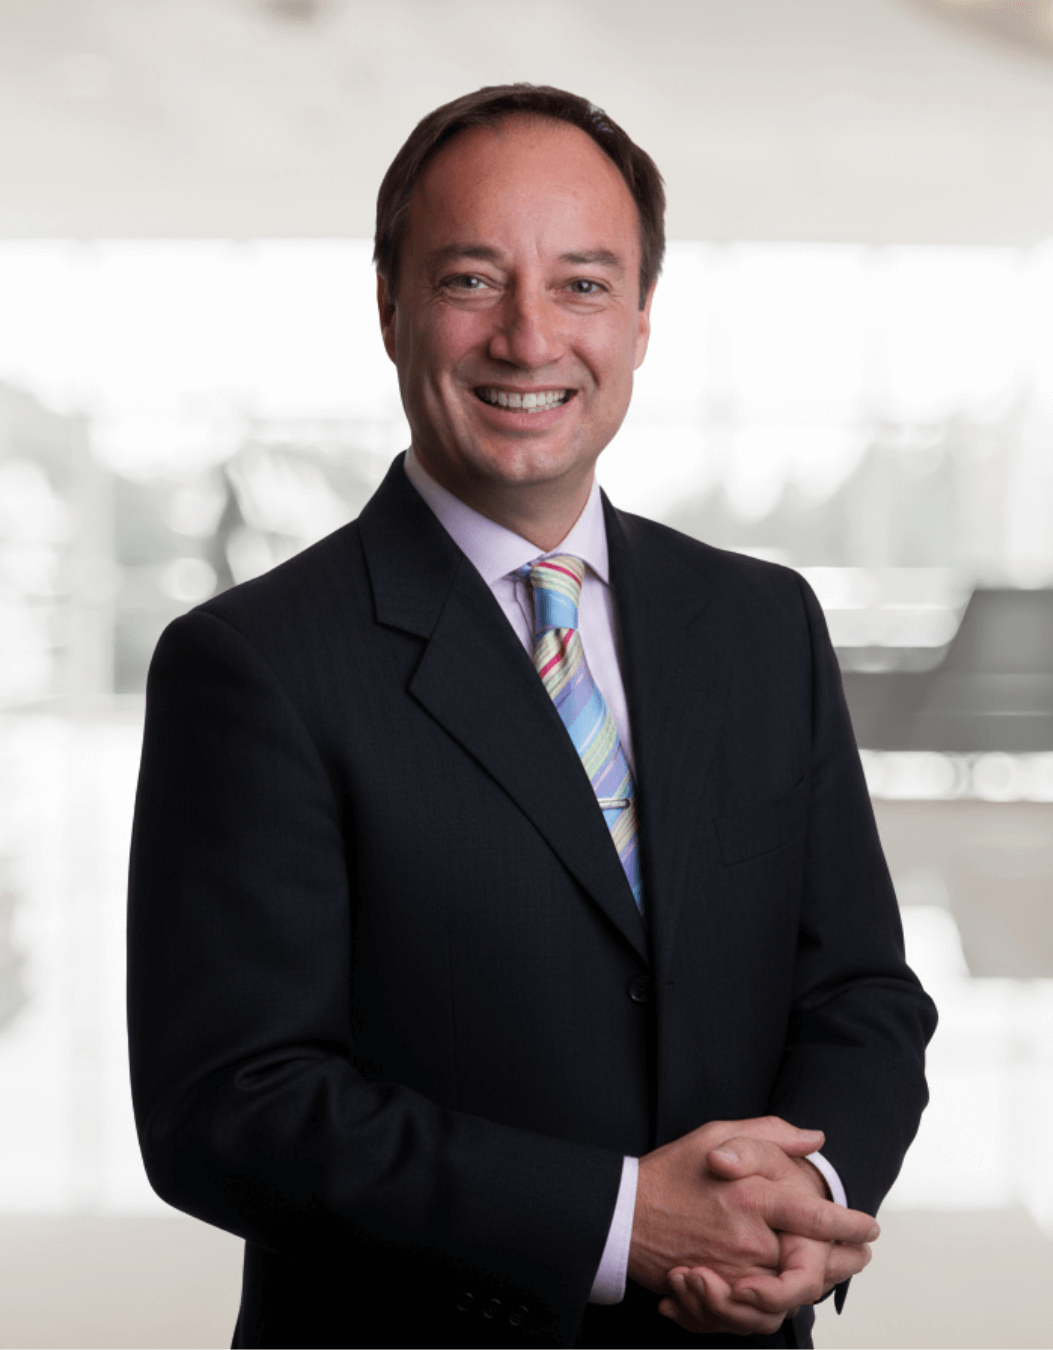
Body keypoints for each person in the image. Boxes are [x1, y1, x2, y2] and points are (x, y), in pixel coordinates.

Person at [127, 84, 937, 1350]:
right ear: (389, 305)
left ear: (643, 318)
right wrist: (622, 1220)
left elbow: (863, 993)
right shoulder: (252, 664)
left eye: (583, 284)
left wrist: (805, 1204)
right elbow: (229, 1107)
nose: (528, 337)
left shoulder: (762, 624)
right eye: (470, 280)